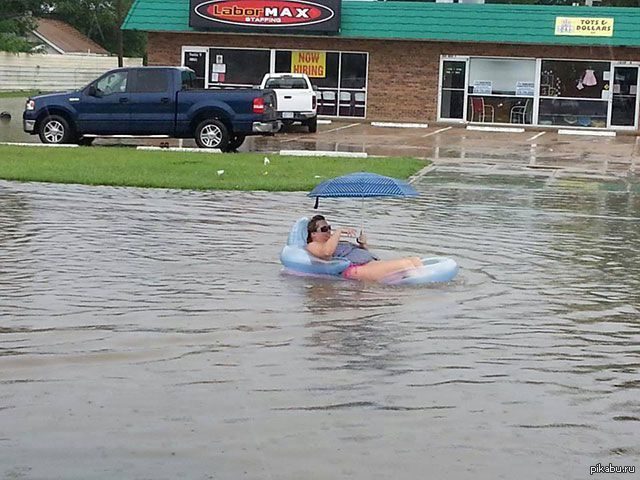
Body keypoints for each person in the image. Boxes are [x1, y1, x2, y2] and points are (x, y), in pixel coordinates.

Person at [306, 214, 423, 282]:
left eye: (329, 228)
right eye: (324, 229)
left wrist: (362, 245)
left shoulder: (334, 242)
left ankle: (421, 280)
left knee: (415, 260)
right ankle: (423, 287)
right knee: (405, 265)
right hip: (357, 268)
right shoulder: (313, 245)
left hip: (370, 262)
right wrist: (339, 231)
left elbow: (361, 253)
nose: (328, 231)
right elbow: (327, 252)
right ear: (313, 234)